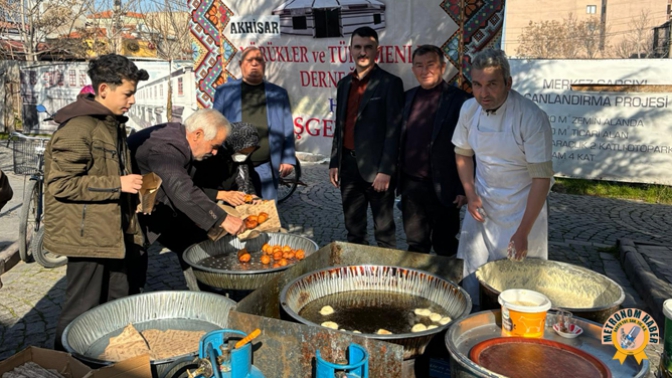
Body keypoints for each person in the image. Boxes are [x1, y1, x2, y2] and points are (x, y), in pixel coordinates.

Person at [44, 54, 149, 350]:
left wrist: (133, 198)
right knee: (82, 309)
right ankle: (65, 364)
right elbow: (60, 184)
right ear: (104, 90)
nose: (131, 101)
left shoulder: (110, 125)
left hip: (113, 234)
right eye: (127, 93)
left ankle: (106, 362)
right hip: (87, 238)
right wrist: (118, 184)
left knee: (116, 303)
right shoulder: (79, 128)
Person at [452, 49, 553, 307]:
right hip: (483, 204)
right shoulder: (468, 110)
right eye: (477, 84)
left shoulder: (530, 117)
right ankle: (470, 323)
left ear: (508, 83)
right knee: (471, 270)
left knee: (518, 284)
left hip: (522, 208)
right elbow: (463, 154)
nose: (483, 93)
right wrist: (471, 194)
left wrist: (523, 232)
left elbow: (541, 179)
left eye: (492, 84)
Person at [127, 109, 246, 291]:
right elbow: (181, 189)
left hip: (158, 205)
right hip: (131, 212)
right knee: (132, 270)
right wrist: (222, 218)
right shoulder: (168, 147)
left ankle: (207, 295)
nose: (214, 153)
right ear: (197, 134)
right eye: (213, 146)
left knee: (194, 242)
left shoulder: (181, 138)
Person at [329, 26, 404, 249]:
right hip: (349, 168)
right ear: (350, 49)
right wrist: (335, 162)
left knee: (384, 232)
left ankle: (387, 277)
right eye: (358, 47)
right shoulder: (343, 84)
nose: (363, 52)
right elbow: (340, 126)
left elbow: (394, 130)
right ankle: (358, 274)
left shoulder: (390, 83)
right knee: (353, 229)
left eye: (368, 47)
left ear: (376, 51)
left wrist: (386, 170)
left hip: (378, 170)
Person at [399, 45, 471, 257]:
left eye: (430, 64)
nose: (425, 70)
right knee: (415, 243)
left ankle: (447, 286)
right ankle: (418, 286)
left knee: (445, 244)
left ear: (442, 67)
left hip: (445, 186)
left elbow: (469, 148)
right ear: (413, 69)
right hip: (412, 186)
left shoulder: (461, 101)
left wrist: (463, 187)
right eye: (419, 65)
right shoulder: (406, 98)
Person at [212, 46, 296, 201]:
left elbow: (287, 129)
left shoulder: (278, 93)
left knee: (267, 213)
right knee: (239, 213)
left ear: (264, 64)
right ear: (240, 64)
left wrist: (288, 157)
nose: (254, 63)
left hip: (265, 166)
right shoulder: (225, 92)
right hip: (234, 166)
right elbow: (215, 124)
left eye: (259, 59)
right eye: (250, 60)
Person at [193, 122, 260, 206]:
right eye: (241, 151)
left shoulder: (244, 162)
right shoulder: (209, 155)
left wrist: (251, 196)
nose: (244, 156)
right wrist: (221, 194)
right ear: (233, 145)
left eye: (248, 153)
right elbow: (192, 187)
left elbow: (246, 180)